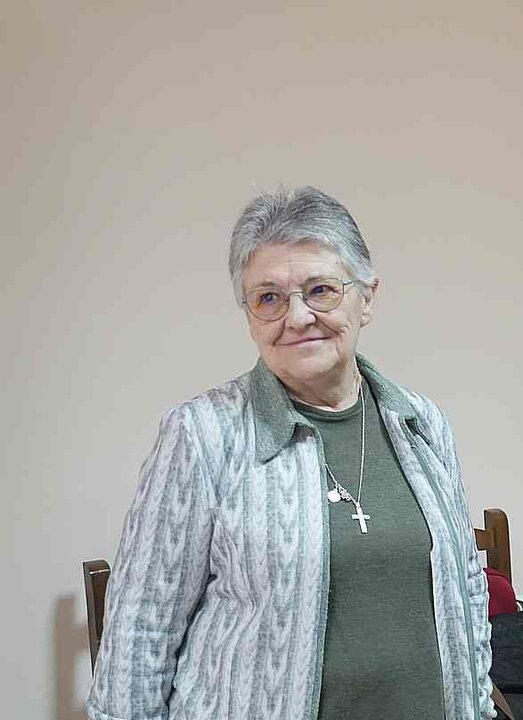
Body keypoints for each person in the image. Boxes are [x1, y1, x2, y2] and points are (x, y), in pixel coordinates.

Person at [86, 187, 495, 720]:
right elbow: (142, 627)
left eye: (320, 289)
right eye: (269, 297)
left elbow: (465, 586)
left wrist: (479, 705)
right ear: (250, 314)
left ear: (367, 296)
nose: (297, 317)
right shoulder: (204, 434)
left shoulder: (420, 422)